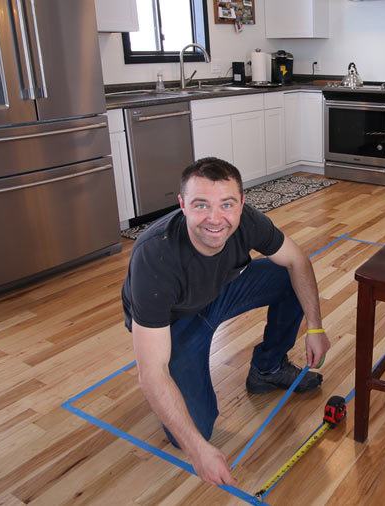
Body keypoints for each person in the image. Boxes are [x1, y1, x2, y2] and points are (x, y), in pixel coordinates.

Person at [122, 157, 330, 486]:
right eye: (201, 204)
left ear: (242, 203)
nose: (216, 219)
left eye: (227, 204)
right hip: (177, 323)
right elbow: (151, 371)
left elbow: (297, 260)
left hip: (219, 292)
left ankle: (268, 367)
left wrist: (315, 327)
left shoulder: (247, 221)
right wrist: (198, 450)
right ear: (182, 205)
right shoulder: (154, 258)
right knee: (192, 433)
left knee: (287, 275)